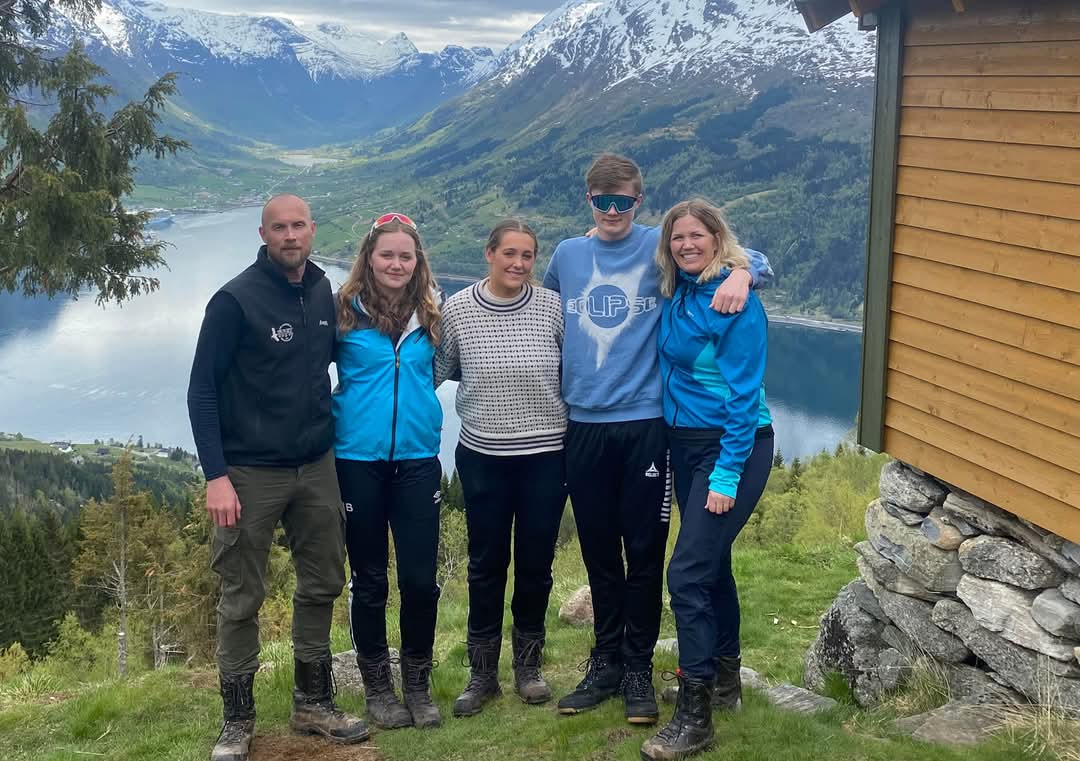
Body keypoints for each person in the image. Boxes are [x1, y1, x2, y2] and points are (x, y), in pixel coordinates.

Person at [542, 154, 772, 724]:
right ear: (588, 200)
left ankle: (642, 672)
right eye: (603, 201)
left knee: (649, 554)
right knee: (600, 550)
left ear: (639, 200)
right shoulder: (569, 255)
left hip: (649, 428)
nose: (613, 210)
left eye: (623, 200)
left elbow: (735, 256)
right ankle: (607, 664)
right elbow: (541, 311)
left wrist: (747, 272)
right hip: (585, 424)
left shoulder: (661, 245)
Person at [187, 194, 367, 761]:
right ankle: (237, 721)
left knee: (322, 582)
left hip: (316, 466)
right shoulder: (234, 301)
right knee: (242, 594)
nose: (291, 236)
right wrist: (216, 475)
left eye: (299, 226)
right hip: (248, 473)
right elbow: (202, 391)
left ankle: (312, 703)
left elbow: (338, 364)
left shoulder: (320, 290)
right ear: (262, 234)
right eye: (279, 228)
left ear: (313, 230)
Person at [641, 199, 774, 761]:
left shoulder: (733, 303)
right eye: (678, 238)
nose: (687, 245)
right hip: (685, 446)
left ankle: (694, 717)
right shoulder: (678, 290)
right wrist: (749, 267)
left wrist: (725, 474)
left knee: (687, 574)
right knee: (712, 565)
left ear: (718, 238)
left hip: (732, 448)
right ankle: (725, 684)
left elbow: (744, 401)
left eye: (698, 236)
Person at [434, 219, 567, 717]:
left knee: (535, 565)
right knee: (486, 566)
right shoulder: (459, 309)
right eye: (508, 253)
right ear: (488, 253)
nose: (517, 263)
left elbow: (575, 370)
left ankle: (529, 668)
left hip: (546, 456)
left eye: (527, 255)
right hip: (484, 456)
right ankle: (482, 674)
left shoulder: (552, 307)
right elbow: (435, 372)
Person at [333, 212, 445, 730]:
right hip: (358, 460)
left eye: (406, 255)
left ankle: (418, 686)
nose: (396, 264)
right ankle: (379, 689)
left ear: (417, 260)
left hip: (419, 459)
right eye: (387, 255)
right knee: (370, 579)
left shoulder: (434, 314)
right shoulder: (341, 312)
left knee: (421, 581)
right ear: (369, 258)